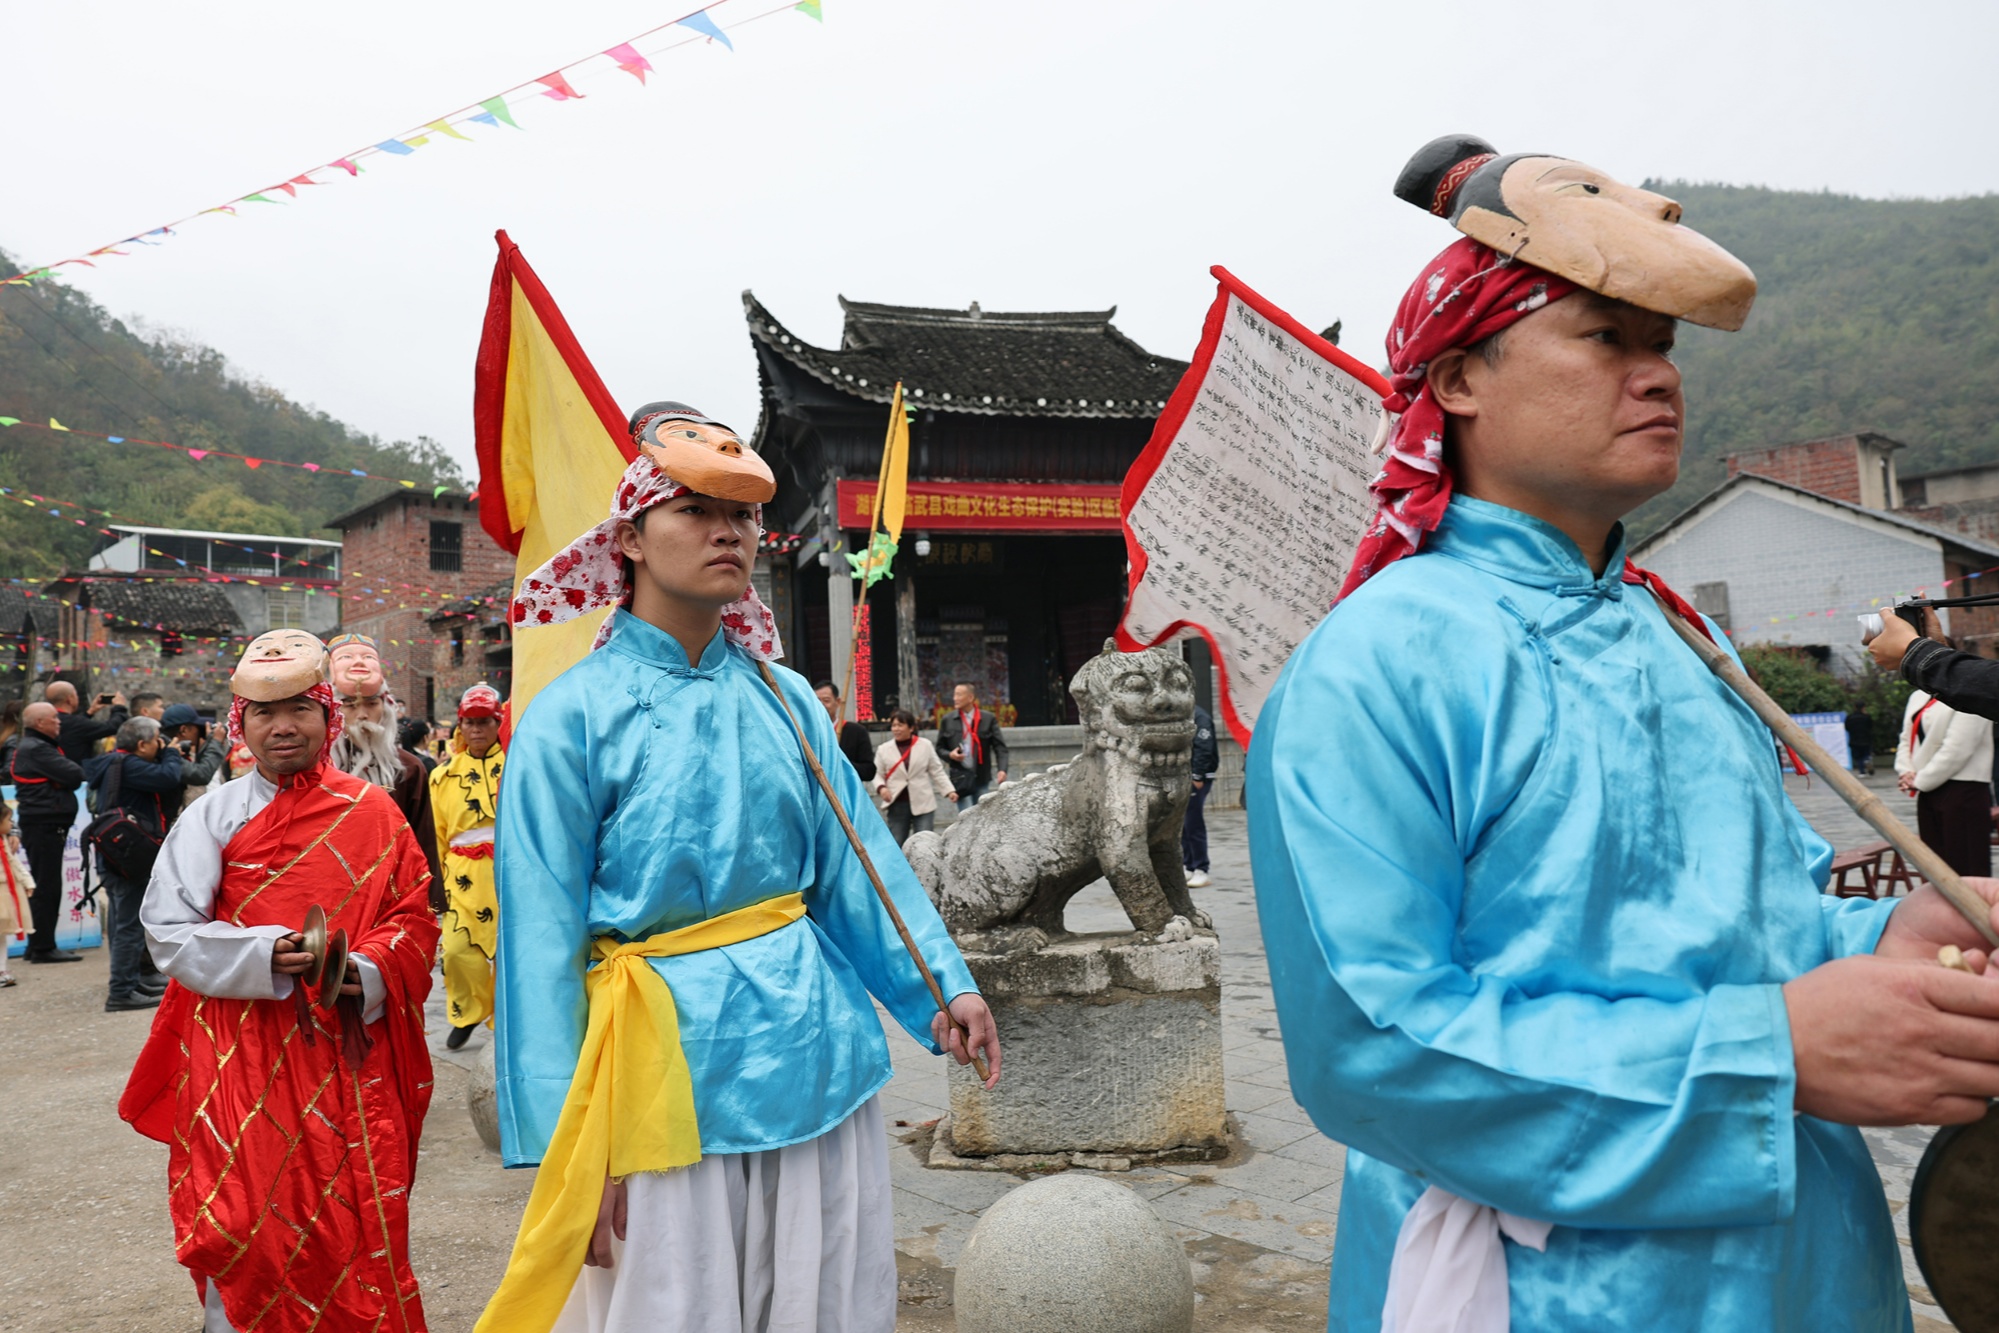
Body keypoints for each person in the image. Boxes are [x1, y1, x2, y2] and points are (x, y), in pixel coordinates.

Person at [1247, 135, 1999, 1332]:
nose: (1657, 377)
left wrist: (1889, 934)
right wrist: (1771, 1059)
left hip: (1809, 1262)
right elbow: (1371, 1046)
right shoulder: (1375, 665)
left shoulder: (1676, 637)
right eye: (1606, 338)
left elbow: (1751, 923)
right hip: (1549, 1285)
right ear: (1455, 379)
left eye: (1661, 346)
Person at [487, 400, 998, 1333]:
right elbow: (537, 943)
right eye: (693, 510)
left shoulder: (786, 697)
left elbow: (856, 865)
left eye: (744, 517)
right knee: (674, 1307)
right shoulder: (571, 717)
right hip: (658, 1067)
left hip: (813, 1047)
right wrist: (569, 1149)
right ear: (629, 540)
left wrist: (943, 984)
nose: (728, 532)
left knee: (823, 1297)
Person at [121, 628, 439, 1333]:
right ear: (242, 723)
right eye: (264, 712)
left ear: (327, 716)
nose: (283, 725)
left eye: (299, 707)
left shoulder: (373, 811)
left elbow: (414, 918)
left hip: (348, 1059)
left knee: (351, 1219)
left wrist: (364, 969)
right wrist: (265, 954)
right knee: (249, 1216)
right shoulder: (213, 814)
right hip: (245, 1054)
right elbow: (169, 931)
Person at [326, 633, 442, 893]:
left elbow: (423, 841)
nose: (362, 714)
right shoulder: (316, 768)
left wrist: (429, 903)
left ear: (386, 707)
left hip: (392, 890)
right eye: (349, 705)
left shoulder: (409, 769)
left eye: (371, 703)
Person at [84, 716, 185, 1011]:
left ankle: (132, 980)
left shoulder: (112, 761)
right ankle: (121, 992)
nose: (161, 745)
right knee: (128, 926)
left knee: (120, 922)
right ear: (142, 745)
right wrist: (173, 753)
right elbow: (169, 777)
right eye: (157, 740)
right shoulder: (128, 764)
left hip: (117, 855)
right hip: (127, 858)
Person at [430, 682, 504, 1050]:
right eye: (469, 722)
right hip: (461, 876)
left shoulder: (519, 765)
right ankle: (469, 1013)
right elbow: (439, 836)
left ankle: (506, 1019)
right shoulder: (441, 776)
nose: (476, 729)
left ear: (497, 723)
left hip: (509, 872)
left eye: (484, 721)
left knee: (512, 952)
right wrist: (436, 884)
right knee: (458, 951)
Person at [1894, 686, 1993, 877]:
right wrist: (1905, 771)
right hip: (1928, 790)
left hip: (1963, 790)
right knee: (1934, 867)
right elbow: (1906, 738)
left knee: (1966, 868)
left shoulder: (1974, 692)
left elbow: (1957, 748)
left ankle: (1973, 908)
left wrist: (1919, 780)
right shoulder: (1919, 695)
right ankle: (1938, 907)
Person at [12, 701, 84, 963]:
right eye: (54, 718)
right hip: (44, 824)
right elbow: (74, 774)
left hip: (44, 823)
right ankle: (43, 947)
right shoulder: (37, 748)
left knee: (46, 884)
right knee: (47, 886)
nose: (59, 722)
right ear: (39, 723)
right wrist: (61, 780)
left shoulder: (37, 747)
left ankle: (38, 944)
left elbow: (68, 776)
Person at [872, 708, 956, 845]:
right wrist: (882, 788)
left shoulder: (925, 745)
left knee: (925, 842)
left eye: (900, 725)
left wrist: (949, 790)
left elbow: (937, 770)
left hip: (923, 801)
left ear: (911, 728)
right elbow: (877, 773)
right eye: (894, 725)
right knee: (896, 841)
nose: (896, 729)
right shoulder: (884, 749)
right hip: (897, 801)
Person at [936, 682, 1008, 806]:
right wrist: (950, 755)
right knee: (966, 816)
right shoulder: (948, 720)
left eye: (959, 695)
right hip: (960, 777)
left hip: (981, 776)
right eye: (954, 695)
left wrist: (1002, 769)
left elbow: (1000, 747)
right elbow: (939, 748)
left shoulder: (987, 719)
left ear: (970, 698)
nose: (955, 698)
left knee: (981, 815)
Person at [159, 702, 229, 815]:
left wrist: (209, 742)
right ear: (184, 730)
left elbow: (198, 766)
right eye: (196, 727)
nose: (199, 731)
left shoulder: (168, 746)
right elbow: (201, 774)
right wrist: (215, 742)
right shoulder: (165, 751)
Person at [43, 679, 127, 763]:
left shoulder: (45, 720)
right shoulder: (75, 723)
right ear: (69, 699)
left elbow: (75, 727)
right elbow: (111, 727)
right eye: (76, 695)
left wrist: (90, 712)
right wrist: (119, 707)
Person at [1182, 703, 1218, 889]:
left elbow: (1204, 745)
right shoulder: (1184, 715)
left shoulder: (1199, 717)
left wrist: (1197, 774)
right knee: (1182, 824)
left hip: (1197, 777)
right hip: (1184, 775)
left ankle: (1201, 869)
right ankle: (1188, 864)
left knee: (1193, 822)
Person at [814, 679, 877, 781]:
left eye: (826, 700)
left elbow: (869, 772)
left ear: (838, 702)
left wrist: (842, 763)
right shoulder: (807, 732)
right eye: (816, 701)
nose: (820, 706)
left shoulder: (856, 731)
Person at [0, 804, 27, 988]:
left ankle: (2, 969)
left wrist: (27, 882)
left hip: (4, 893)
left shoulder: (3, 842)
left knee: (1, 934)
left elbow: (14, 862)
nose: (12, 824)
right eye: (9, 821)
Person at [1845, 703, 1875, 777]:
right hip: (1866, 739)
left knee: (1858, 757)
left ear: (1855, 707)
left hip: (1854, 740)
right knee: (1866, 754)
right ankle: (1867, 760)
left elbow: (1847, 728)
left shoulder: (1850, 717)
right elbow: (1871, 726)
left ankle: (1862, 772)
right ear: (1864, 707)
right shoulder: (1867, 717)